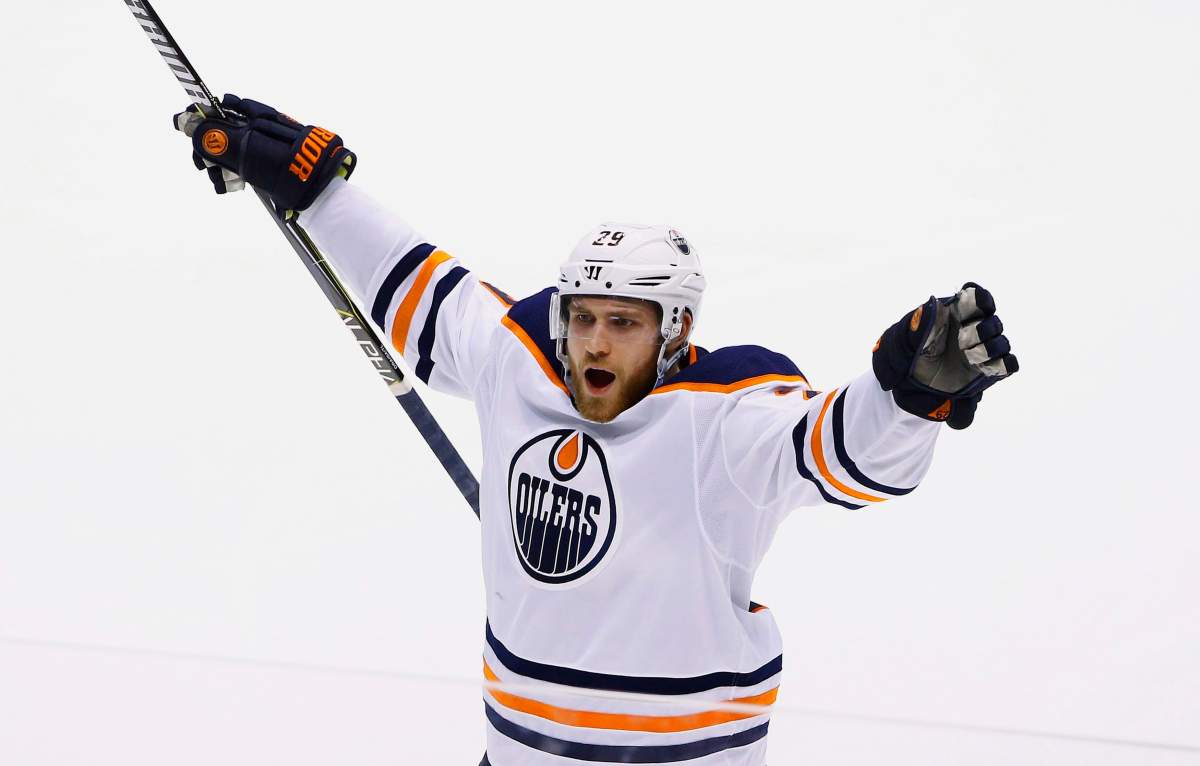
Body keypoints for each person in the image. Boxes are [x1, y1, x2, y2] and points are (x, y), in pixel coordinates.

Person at [174, 96, 1018, 766]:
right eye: (583, 319)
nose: (595, 344)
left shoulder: (725, 418)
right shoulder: (522, 361)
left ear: (675, 330)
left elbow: (842, 454)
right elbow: (416, 286)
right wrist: (319, 190)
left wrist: (906, 396)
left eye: (624, 322)